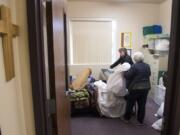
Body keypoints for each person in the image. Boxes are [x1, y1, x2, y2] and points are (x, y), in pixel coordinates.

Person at [122, 52, 151, 126]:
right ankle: (140, 121)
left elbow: (128, 76)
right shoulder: (147, 66)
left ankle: (126, 118)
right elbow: (149, 74)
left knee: (130, 103)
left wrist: (124, 72)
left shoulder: (134, 66)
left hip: (135, 88)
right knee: (142, 105)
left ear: (135, 59)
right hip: (146, 88)